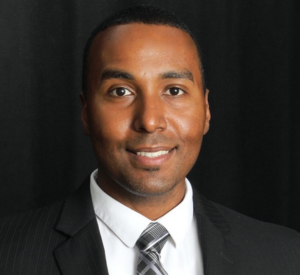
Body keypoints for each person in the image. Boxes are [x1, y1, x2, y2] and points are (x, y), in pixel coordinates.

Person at [0, 5, 300, 275]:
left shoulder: (286, 257)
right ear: (86, 113)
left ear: (206, 110)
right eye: (120, 91)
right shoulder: (8, 254)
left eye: (174, 90)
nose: (150, 120)